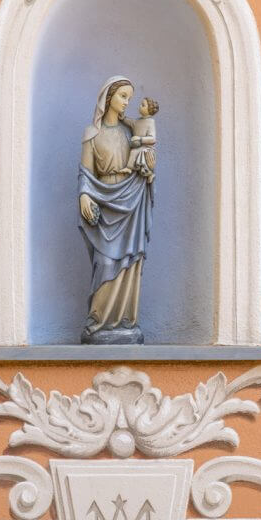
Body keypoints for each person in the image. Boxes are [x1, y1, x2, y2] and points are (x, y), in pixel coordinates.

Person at [78, 76, 155, 343]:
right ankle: (99, 322)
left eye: (129, 98)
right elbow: (86, 173)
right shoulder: (92, 133)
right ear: (108, 97)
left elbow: (144, 157)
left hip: (131, 199)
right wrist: (85, 197)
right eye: (123, 96)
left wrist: (148, 168)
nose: (126, 103)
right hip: (104, 199)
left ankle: (124, 322)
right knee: (105, 262)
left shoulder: (129, 131)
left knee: (129, 262)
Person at [119, 96, 158, 183]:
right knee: (134, 151)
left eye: (143, 105)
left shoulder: (150, 122)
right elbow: (131, 122)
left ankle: (150, 174)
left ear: (149, 109)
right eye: (141, 104)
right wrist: (123, 118)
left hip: (147, 149)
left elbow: (152, 139)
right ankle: (129, 168)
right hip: (138, 147)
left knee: (136, 152)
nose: (140, 106)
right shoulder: (137, 121)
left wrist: (140, 139)